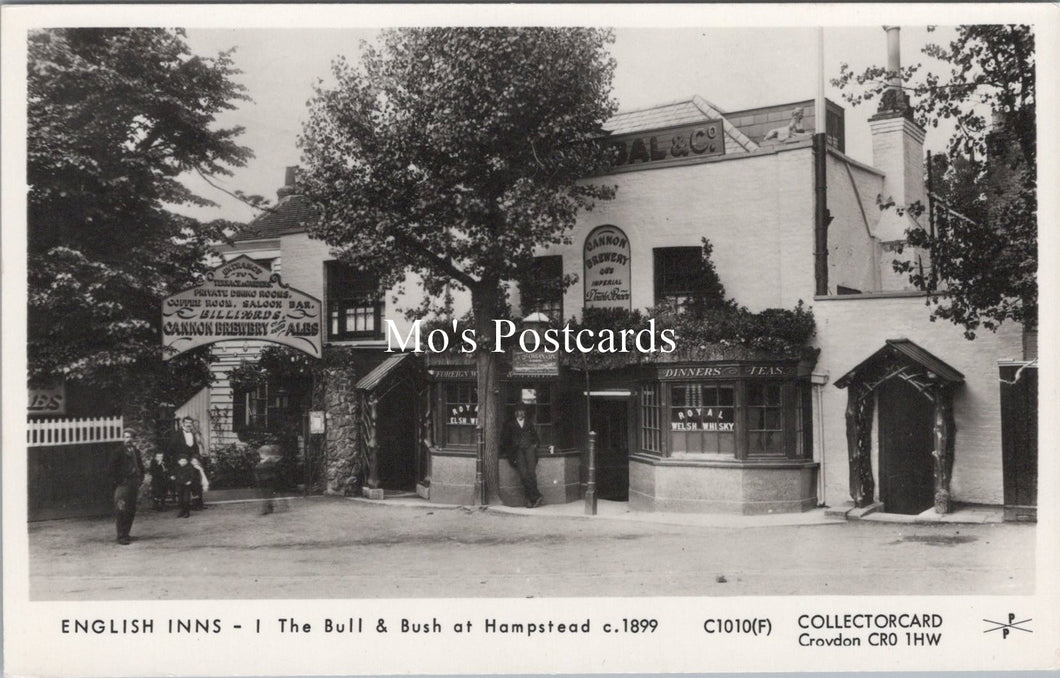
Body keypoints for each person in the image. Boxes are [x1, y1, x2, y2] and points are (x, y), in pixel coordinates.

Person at [503, 405, 543, 508]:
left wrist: (534, 446)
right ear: (515, 413)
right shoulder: (510, 424)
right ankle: (536, 496)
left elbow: (536, 438)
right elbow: (506, 440)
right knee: (523, 475)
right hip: (518, 451)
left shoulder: (529, 423)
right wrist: (510, 454)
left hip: (529, 449)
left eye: (522, 412)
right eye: (518, 411)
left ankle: (530, 500)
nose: (520, 414)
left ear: (524, 413)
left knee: (531, 474)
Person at [109, 430, 145, 544]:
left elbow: (140, 465)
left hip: (134, 483)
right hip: (123, 484)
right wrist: (119, 481)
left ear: (134, 439)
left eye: (130, 437)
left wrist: (141, 478)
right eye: (125, 437)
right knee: (121, 509)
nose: (128, 439)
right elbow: (111, 469)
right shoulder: (118, 452)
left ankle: (126, 533)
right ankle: (121, 536)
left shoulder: (136, 451)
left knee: (131, 509)